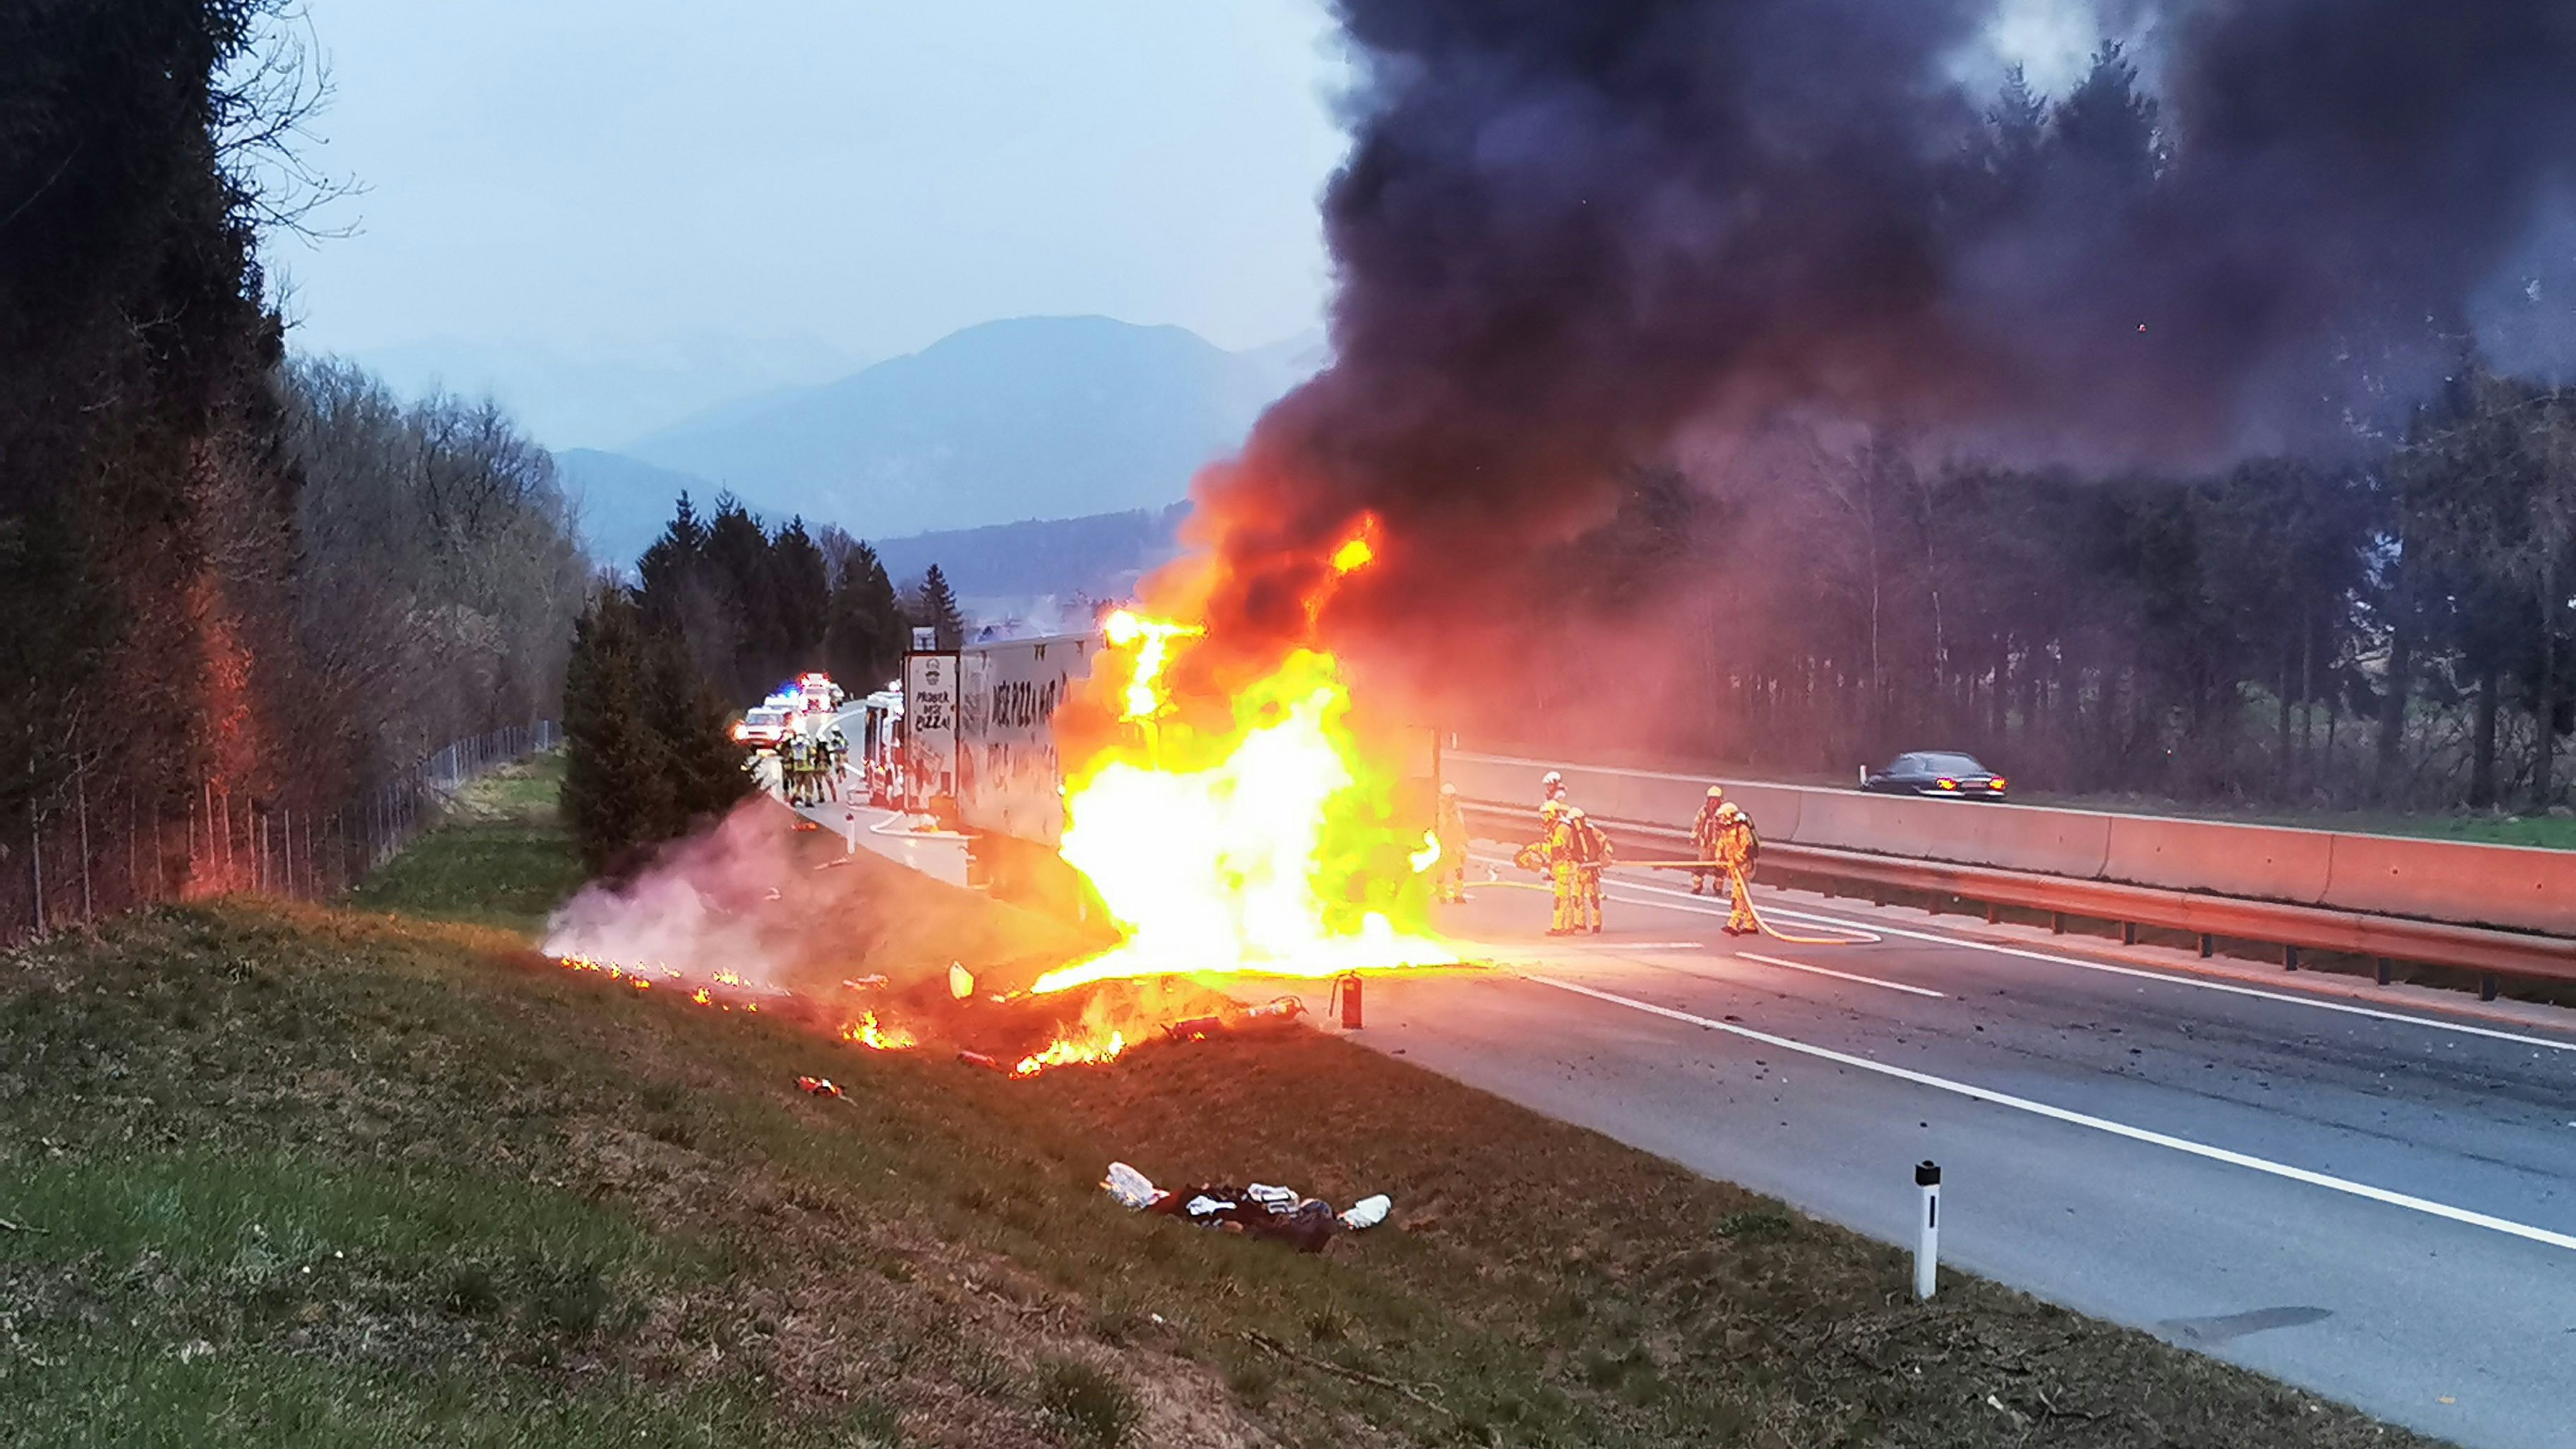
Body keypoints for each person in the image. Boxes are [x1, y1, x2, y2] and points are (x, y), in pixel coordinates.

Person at [1713, 801, 1760, 936]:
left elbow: (1747, 848)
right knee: (1744, 895)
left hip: (1744, 866)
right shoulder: (1727, 830)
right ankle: (1750, 924)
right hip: (1734, 866)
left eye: (1722, 817)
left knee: (1738, 894)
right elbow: (1721, 845)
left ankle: (1734, 924)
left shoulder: (1742, 829)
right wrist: (1719, 859)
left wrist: (1735, 860)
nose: (1720, 820)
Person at [1538, 800, 1581, 936]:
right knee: (1563, 897)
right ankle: (1567, 927)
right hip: (1561, 867)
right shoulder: (1556, 828)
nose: (1544, 818)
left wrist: (1538, 847)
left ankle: (1560, 927)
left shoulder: (1561, 829)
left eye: (1546, 815)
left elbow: (1557, 850)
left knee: (1561, 898)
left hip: (1565, 867)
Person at [1566, 806, 1609, 933]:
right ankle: (1580, 923)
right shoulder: (1571, 833)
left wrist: (1603, 856)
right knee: (1576, 897)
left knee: (1593, 898)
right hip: (1578, 869)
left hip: (1590, 870)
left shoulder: (1592, 832)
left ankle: (1596, 924)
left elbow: (1605, 842)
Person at [1434, 782, 1469, 903]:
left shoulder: (1456, 811)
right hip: (1441, 846)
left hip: (1454, 846)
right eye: (1451, 797)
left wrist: (1464, 843)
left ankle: (1458, 895)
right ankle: (1441, 896)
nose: (1453, 800)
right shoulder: (1437, 811)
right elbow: (1437, 828)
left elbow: (1460, 827)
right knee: (1441, 874)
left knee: (1459, 871)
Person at [1689, 785, 1727, 895]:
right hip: (1705, 844)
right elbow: (1697, 825)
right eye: (1711, 799)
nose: (1713, 802)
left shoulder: (1724, 813)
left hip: (1719, 845)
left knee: (1720, 868)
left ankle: (1718, 887)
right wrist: (1693, 838)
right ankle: (1697, 887)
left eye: (1716, 799)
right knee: (1701, 867)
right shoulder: (1703, 811)